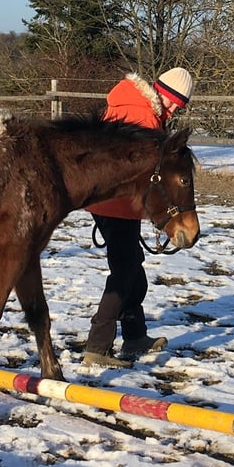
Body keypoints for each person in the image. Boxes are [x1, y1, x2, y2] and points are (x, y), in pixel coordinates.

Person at [82, 68, 194, 368]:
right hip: (116, 204)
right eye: (172, 103)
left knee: (132, 268)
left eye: (178, 108)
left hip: (110, 203)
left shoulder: (134, 105)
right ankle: (97, 346)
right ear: (161, 93)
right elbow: (147, 173)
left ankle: (134, 335)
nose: (172, 111)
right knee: (124, 274)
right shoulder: (141, 117)